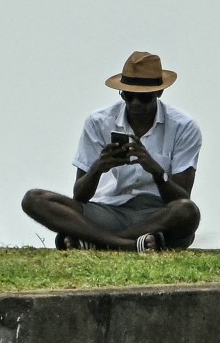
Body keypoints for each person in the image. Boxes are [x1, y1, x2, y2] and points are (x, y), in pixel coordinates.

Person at [22, 51, 202, 252]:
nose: (134, 104)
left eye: (143, 98)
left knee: (188, 212)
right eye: (128, 96)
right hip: (108, 211)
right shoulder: (99, 122)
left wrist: (157, 172)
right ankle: (129, 244)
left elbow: (182, 198)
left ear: (158, 93)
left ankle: (94, 241)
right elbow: (79, 195)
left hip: (155, 215)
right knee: (34, 199)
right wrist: (98, 168)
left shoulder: (183, 127)